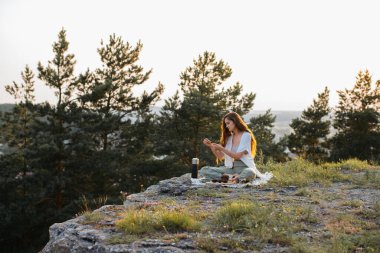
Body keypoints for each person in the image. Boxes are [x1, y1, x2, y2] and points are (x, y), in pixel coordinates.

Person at [200, 111, 267, 183]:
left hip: (244, 168)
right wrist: (211, 146)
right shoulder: (229, 138)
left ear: (235, 121)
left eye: (228, 123)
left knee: (250, 172)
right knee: (204, 170)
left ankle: (236, 177)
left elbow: (237, 156)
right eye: (226, 124)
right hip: (230, 168)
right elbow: (220, 156)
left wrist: (222, 148)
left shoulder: (246, 135)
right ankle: (229, 178)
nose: (226, 126)